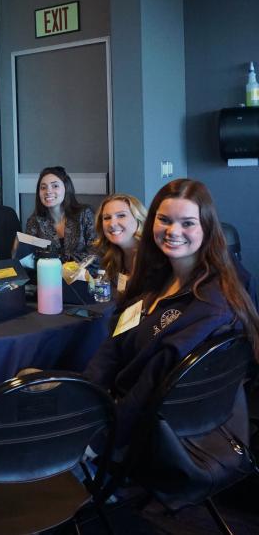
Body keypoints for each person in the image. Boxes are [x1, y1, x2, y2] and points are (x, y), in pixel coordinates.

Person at [84, 178, 259, 449]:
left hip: (150, 434)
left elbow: (150, 387)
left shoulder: (209, 307)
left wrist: (98, 439)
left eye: (187, 223)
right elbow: (117, 339)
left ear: (207, 227)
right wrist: (86, 391)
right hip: (116, 400)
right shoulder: (156, 274)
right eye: (164, 220)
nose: (173, 231)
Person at [25, 166, 96, 262]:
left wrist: (58, 260)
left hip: (84, 275)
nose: (48, 191)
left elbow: (96, 253)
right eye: (43, 187)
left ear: (66, 188)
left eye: (55, 186)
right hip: (47, 276)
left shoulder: (85, 214)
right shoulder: (34, 222)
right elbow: (31, 259)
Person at [93, 193, 147, 290]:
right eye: (107, 218)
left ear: (138, 218)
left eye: (121, 215)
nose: (112, 224)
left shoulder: (152, 255)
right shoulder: (111, 256)